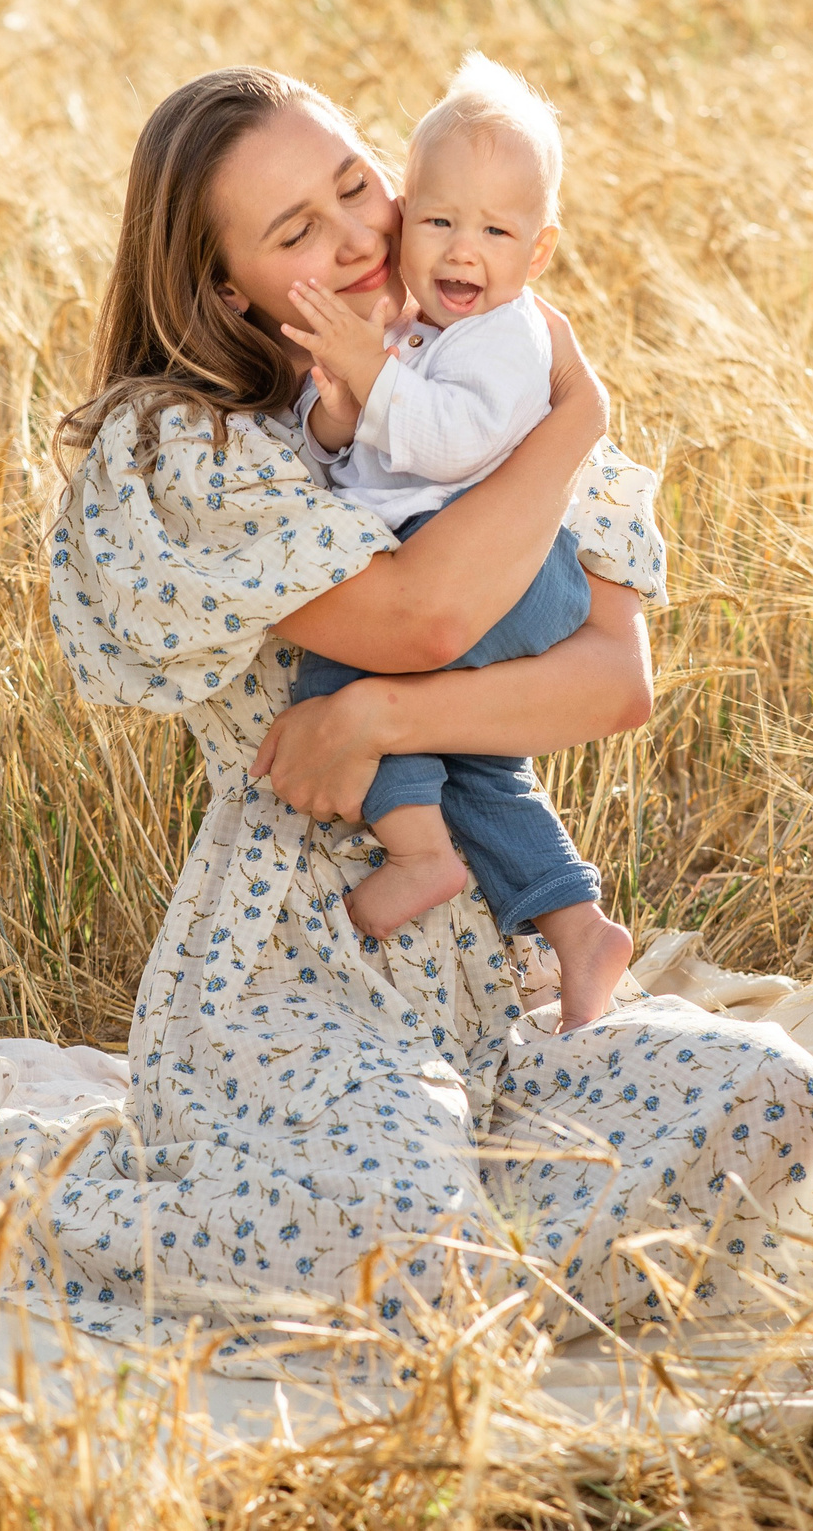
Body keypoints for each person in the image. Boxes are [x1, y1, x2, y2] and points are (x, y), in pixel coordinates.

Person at [0, 65, 813, 1377]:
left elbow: (611, 679)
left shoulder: (487, 369)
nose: (357, 237)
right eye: (296, 234)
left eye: (357, 186)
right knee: (411, 1252)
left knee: (768, 1096)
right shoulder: (190, 450)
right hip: (290, 968)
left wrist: (386, 708)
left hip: (470, 973)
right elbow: (423, 615)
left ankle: (444, 1232)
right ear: (230, 289)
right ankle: (92, 1193)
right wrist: (576, 420)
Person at [279, 54, 630, 1030]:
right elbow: (352, 452)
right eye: (438, 220)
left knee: (344, 678)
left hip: (507, 575)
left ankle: (419, 856)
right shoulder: (419, 327)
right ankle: (577, 928)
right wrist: (340, 407)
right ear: (405, 211)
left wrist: (370, 373)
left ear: (539, 250)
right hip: (475, 566)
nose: (461, 250)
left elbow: (453, 439)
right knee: (479, 763)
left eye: (494, 230)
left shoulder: (510, 335)